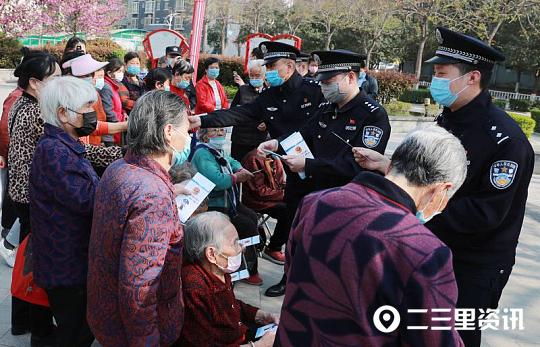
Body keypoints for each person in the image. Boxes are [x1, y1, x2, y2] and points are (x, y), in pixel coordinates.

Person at [354, 27, 535, 347]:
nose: (435, 80)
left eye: (441, 74)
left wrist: (419, 209)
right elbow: (422, 174)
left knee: (452, 337)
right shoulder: (445, 121)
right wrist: (387, 166)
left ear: (472, 77)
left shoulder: (505, 141)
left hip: (472, 265)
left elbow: (484, 213)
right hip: (427, 247)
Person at [276, 126, 467, 346]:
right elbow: (434, 338)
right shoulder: (426, 251)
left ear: (392, 165)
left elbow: (293, 273)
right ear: (441, 190)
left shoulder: (315, 202)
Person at [188, 41, 324, 294]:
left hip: (318, 171)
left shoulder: (313, 92)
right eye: (267, 66)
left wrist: (281, 142)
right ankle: (290, 279)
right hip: (293, 173)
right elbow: (240, 114)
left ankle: (317, 282)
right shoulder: (270, 96)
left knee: (317, 230)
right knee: (295, 225)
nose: (268, 71)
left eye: (272, 66)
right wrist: (202, 119)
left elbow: (317, 128)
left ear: (290, 66)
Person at [258, 49, 391, 296]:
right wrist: (277, 143)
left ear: (351, 77)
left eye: (329, 82)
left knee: (329, 252)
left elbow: (356, 166)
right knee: (298, 240)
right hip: (306, 191)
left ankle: (320, 292)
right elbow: (304, 133)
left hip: (340, 198)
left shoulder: (372, 115)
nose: (323, 88)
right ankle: (290, 280)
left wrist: (308, 166)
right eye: (322, 82)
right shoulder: (328, 107)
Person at [87, 90, 191, 346]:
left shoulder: (119, 168)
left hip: (104, 310)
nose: (188, 137)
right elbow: (139, 287)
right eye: (186, 130)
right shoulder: (152, 194)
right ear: (168, 132)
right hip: (135, 330)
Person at [29, 76, 100, 347]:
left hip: (70, 257)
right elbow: (87, 200)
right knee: (75, 331)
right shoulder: (54, 152)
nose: (91, 115)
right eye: (86, 109)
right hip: (65, 262)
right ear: (62, 113)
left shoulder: (65, 145)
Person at [176, 212, 278, 346]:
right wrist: (259, 345)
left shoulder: (218, 270)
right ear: (212, 254)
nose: (242, 248)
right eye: (234, 243)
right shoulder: (194, 286)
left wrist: (262, 315)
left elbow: (231, 306)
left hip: (239, 334)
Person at [191, 127, 263, 285]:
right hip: (212, 205)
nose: (219, 133)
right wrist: (237, 177)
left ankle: (246, 264)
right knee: (246, 225)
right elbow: (218, 181)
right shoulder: (202, 153)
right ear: (204, 136)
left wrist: (239, 168)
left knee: (251, 217)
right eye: (213, 131)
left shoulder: (218, 151)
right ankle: (247, 270)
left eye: (221, 130)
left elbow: (232, 161)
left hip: (228, 201)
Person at [230, 59, 268, 162]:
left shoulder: (269, 92)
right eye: (252, 75)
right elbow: (232, 111)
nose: (254, 78)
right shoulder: (243, 90)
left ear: (264, 76)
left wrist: (267, 123)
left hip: (259, 140)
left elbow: (275, 114)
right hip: (240, 139)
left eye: (258, 75)